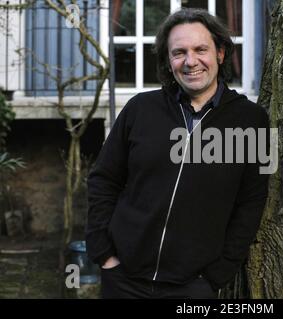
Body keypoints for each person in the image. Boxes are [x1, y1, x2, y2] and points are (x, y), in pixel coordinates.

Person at [86, 8, 270, 299]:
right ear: (168, 60)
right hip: (123, 280)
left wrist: (217, 275)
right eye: (179, 52)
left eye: (200, 49)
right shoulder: (139, 109)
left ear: (220, 53)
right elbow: (103, 180)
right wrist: (104, 255)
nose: (190, 61)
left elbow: (252, 201)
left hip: (192, 287)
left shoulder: (252, 120)